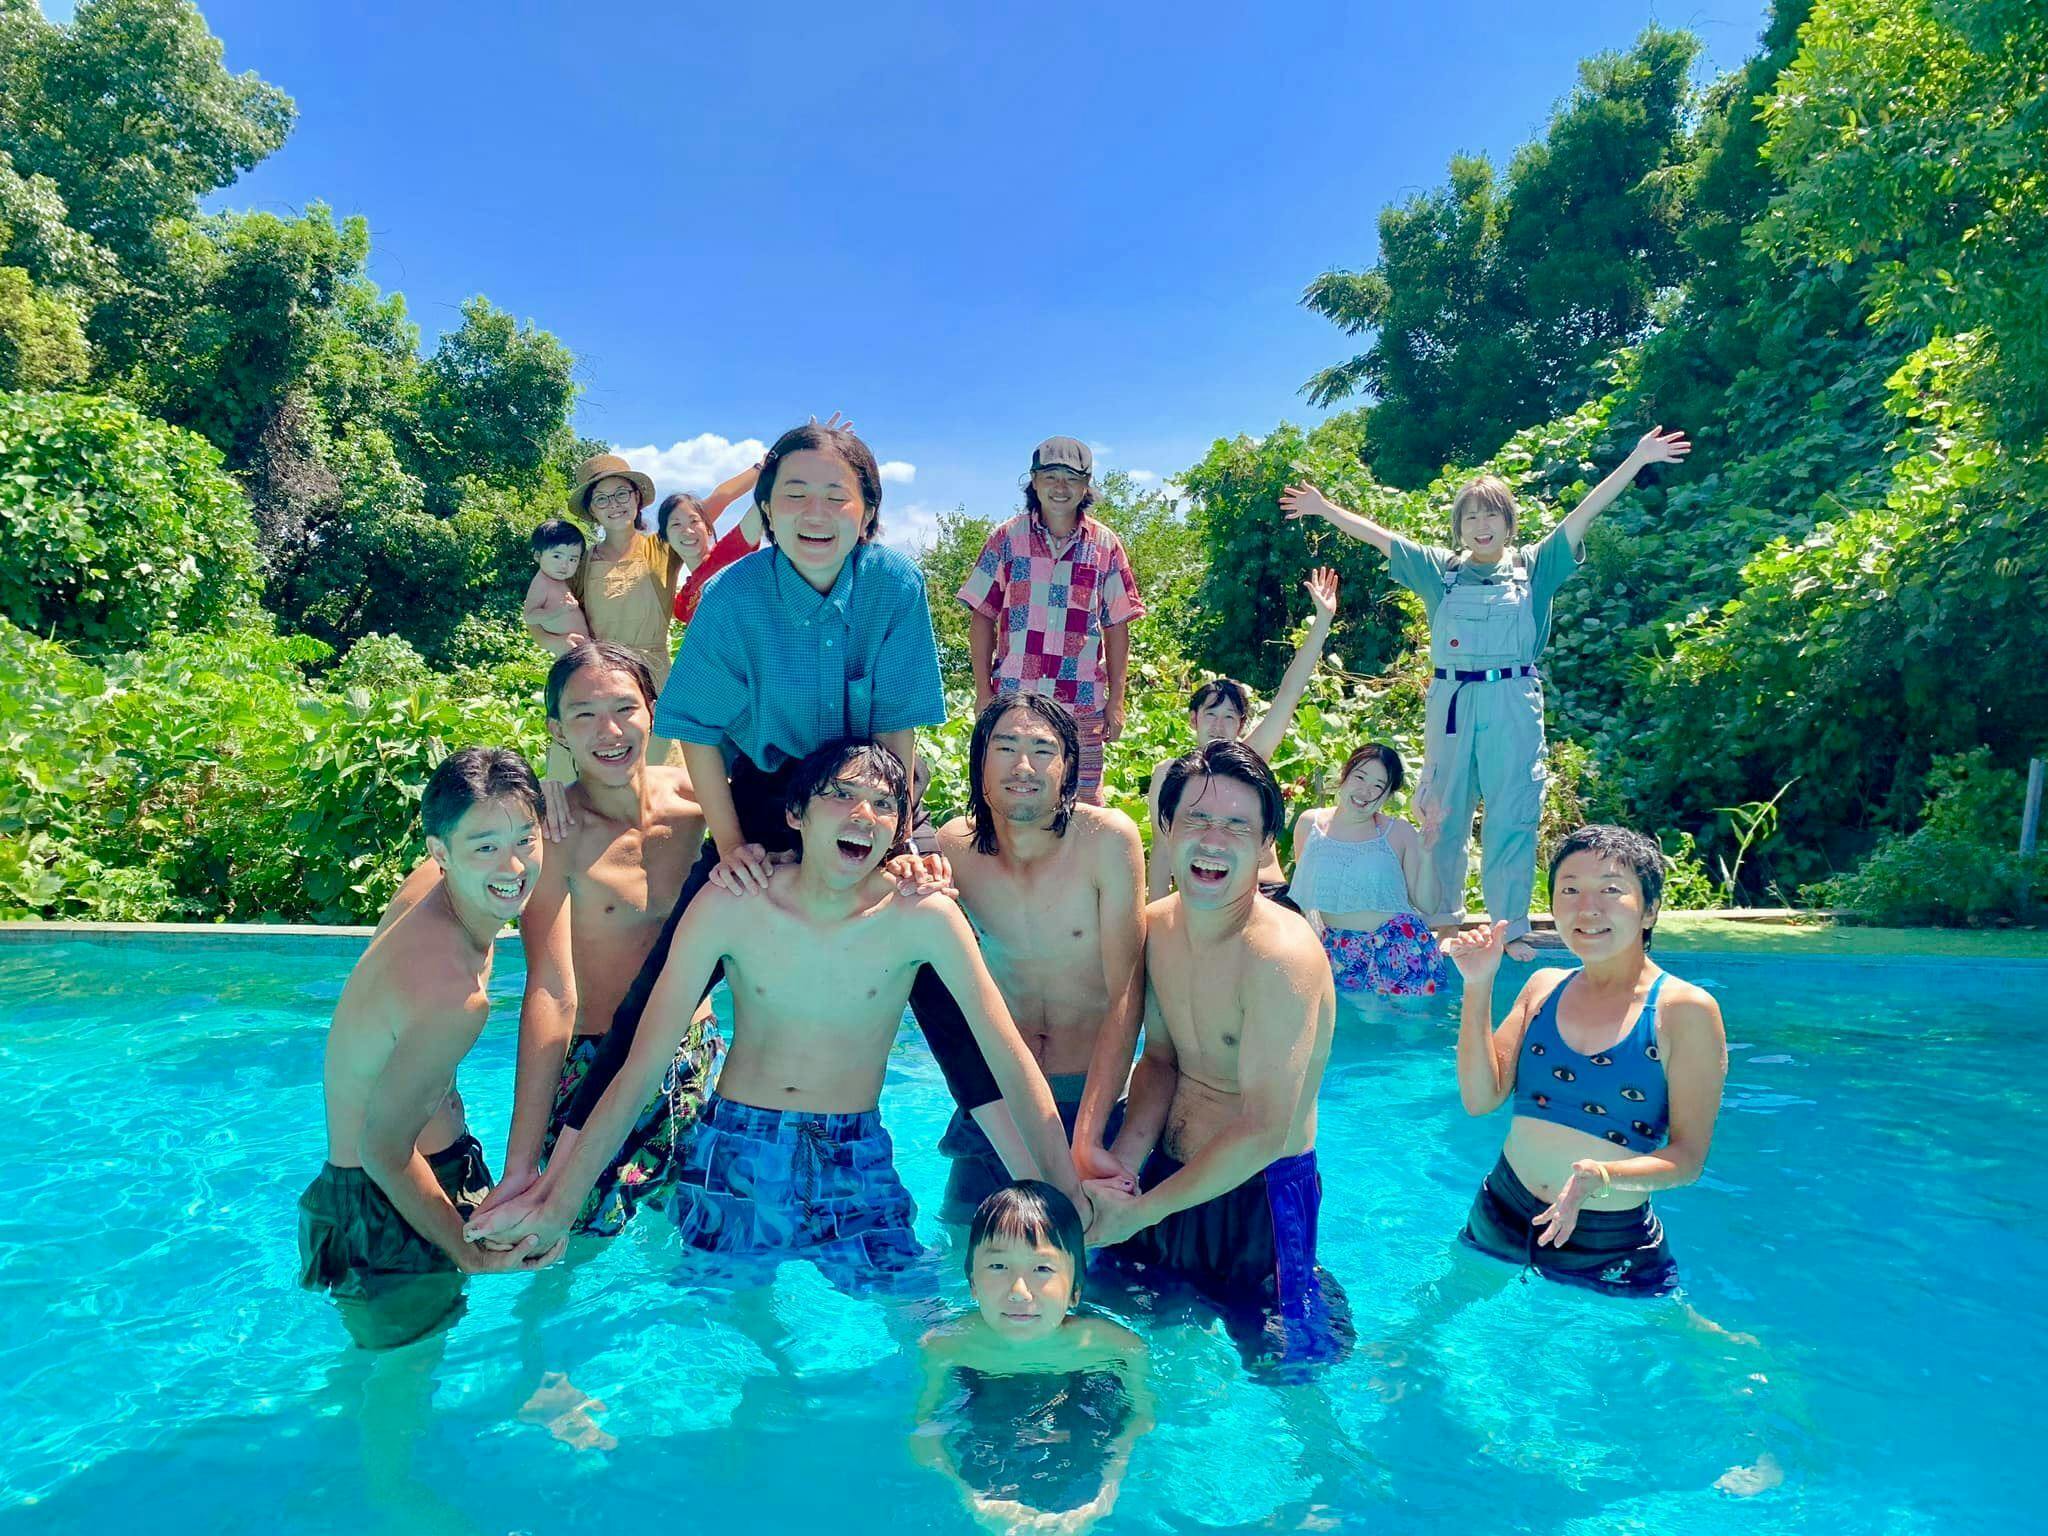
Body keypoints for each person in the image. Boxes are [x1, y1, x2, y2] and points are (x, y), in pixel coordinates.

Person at [512, 421, 1027, 1220]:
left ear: (867, 510)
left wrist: (898, 841)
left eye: (836, 496)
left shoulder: (894, 585)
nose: (815, 512)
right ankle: (556, 1186)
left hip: (873, 793)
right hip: (764, 792)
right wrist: (731, 848)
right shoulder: (733, 595)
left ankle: (1041, 1185)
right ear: (767, 508)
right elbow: (697, 730)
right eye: (795, 494)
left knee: (942, 975)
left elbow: (897, 728)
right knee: (662, 988)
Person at [470, 741, 1082, 1285]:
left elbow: (1006, 1058)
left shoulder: (922, 917)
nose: (862, 814)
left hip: (855, 1154)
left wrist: (1066, 1193)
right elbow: (640, 1067)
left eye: (882, 804)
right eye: (840, 795)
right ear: (795, 814)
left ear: (898, 829)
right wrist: (560, 1205)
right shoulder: (733, 903)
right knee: (730, 1329)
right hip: (738, 1151)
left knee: (914, 1306)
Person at [1281, 429, 1691, 960]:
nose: (1481, 525)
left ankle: (1508, 927)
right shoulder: (1440, 571)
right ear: (1458, 528)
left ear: (1508, 523)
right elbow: (1382, 538)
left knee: (1513, 815)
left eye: (1491, 515)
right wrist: (1323, 507)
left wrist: (1637, 458)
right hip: (1451, 700)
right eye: (1471, 516)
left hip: (1512, 700)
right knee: (1441, 815)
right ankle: (1442, 922)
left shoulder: (1534, 567)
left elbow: (1584, 513)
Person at [1078, 742, 1346, 1365]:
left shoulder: (1280, 957)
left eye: (1237, 826)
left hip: (1258, 1196)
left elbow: (1264, 1128)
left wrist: (1141, 1213)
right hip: (1166, 1175)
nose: (1214, 840)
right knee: (1121, 1333)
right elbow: (1161, 1061)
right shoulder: (1157, 927)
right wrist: (1123, 1170)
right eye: (1197, 819)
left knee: (1288, 1366)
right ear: (1167, 829)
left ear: (1266, 844)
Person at [296, 749, 563, 1348]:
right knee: (403, 1380)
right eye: (486, 847)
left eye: (527, 839)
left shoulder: (433, 887)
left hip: (430, 1164)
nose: (513, 865)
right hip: (381, 1198)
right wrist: (468, 1254)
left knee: (420, 1356)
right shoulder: (452, 994)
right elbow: (381, 1150)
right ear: (440, 852)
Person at [470, 643, 715, 1240]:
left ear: (653, 711)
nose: (609, 731)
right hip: (594, 1067)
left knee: (698, 1231)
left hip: (693, 1054)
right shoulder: (554, 835)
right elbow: (551, 991)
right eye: (584, 715)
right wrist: (521, 1165)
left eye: (624, 708)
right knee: (564, 1238)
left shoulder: (701, 804)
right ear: (557, 730)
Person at [1443, 823, 1728, 1296]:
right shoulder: (1543, 987)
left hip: (1605, 1239)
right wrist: (1477, 983)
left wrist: (1604, 1176)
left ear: (1650, 909)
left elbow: (1687, 1159)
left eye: (1611, 890)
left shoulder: (1683, 1011)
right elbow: (1479, 1099)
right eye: (1570, 889)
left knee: (1659, 1338)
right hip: (1502, 1208)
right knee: (1434, 1323)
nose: (1587, 908)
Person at [926, 696, 1147, 1223]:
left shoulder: (1106, 840)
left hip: (1091, 1096)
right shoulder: (955, 846)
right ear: (979, 762)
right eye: (1005, 747)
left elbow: (1127, 995)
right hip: (998, 1102)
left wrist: (1088, 1136)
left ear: (1068, 767)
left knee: (1096, 1258)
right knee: (964, 1246)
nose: (1023, 766)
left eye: (1042, 750)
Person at [914, 1182, 1152, 1530]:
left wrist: (1105, 1495)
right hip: (987, 1399)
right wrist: (972, 1500)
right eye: (998, 1266)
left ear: (1075, 1291)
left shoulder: (1116, 1348)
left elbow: (1139, 1422)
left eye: (1042, 1269)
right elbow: (926, 1436)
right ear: (972, 1283)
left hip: (1080, 1393)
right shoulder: (946, 1346)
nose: (1019, 1292)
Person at [958, 437, 1145, 806]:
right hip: (1015, 701)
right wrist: (983, 692)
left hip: (1081, 702)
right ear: (1034, 481)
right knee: (1009, 800)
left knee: (1083, 804)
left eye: (1072, 478)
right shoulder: (1007, 538)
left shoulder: (1105, 545)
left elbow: (1117, 626)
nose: (1061, 487)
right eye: (1051, 477)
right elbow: (982, 615)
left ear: (1086, 485)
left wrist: (1117, 701)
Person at [1145, 567, 1340, 901]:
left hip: (1264, 891)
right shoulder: (1168, 774)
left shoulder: (1253, 757)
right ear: (1193, 719)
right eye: (1210, 714)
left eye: (1229, 717)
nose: (1218, 725)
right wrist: (1156, 919)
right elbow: (1163, 850)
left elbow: (1289, 693)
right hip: (1204, 894)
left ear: (1241, 725)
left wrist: (1322, 621)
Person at [1289, 742, 1449, 997]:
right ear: (1345, 774)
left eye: (1378, 786)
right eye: (1360, 777)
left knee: (1410, 1023)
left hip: (1399, 946)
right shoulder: (1309, 824)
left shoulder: (1398, 831)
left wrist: (1427, 855)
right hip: (1337, 951)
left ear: (1387, 795)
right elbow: (1306, 901)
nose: (1365, 791)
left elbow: (1428, 905)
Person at [522, 520, 590, 657]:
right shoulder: (542, 583)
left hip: (582, 646)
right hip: (569, 649)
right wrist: (559, 611)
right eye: (557, 556)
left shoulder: (559, 580)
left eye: (572, 559)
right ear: (537, 555)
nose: (564, 565)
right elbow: (530, 617)